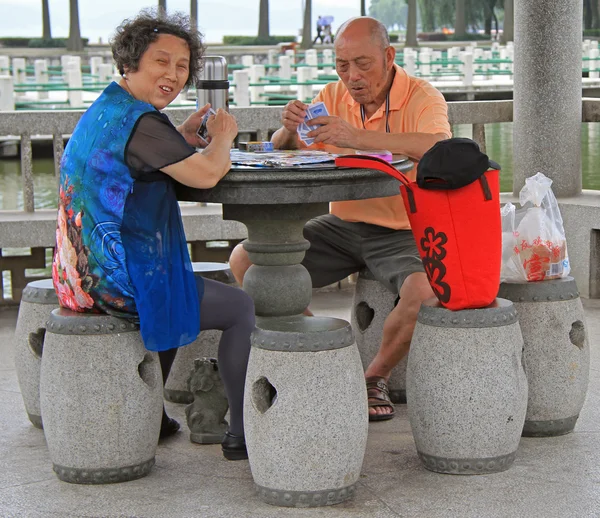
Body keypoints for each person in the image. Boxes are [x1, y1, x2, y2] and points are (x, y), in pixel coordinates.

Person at [52, 9, 255, 460]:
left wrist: (179, 134)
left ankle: (154, 415)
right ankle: (243, 434)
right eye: (161, 62)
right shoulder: (143, 122)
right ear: (130, 63)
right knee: (240, 307)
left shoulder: (111, 108)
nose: (174, 75)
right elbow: (204, 175)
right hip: (116, 280)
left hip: (78, 274)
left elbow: (140, 161)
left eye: (182, 67)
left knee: (173, 288)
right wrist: (221, 138)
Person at [229, 17, 451, 422]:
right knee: (246, 260)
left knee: (426, 290)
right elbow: (289, 150)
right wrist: (289, 131)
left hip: (403, 230)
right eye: (342, 65)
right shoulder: (330, 94)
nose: (352, 76)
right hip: (342, 226)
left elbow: (438, 145)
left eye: (363, 64)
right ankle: (329, 350)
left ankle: (372, 376)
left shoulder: (422, 96)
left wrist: (359, 137)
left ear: (388, 57)